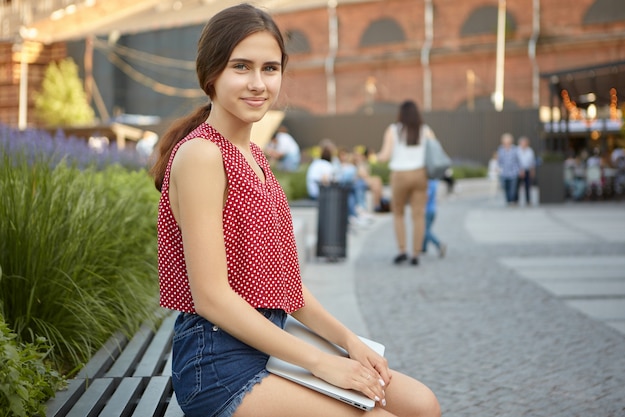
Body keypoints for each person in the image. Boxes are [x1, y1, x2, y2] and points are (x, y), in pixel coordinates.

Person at [149, 4, 440, 417]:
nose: (257, 83)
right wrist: (323, 363)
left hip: (269, 337)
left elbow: (285, 285)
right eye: (241, 67)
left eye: (270, 68)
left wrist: (349, 341)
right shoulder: (201, 154)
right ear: (211, 73)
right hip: (217, 363)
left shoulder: (254, 155)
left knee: (423, 405)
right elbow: (211, 297)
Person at [377, 100, 432, 266]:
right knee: (418, 215)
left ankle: (402, 250)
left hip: (400, 175)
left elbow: (384, 156)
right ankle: (416, 254)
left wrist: (375, 157)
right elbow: (435, 150)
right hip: (420, 174)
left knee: (398, 213)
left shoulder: (393, 130)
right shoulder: (425, 130)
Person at [422, 179, 446, 258]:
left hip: (427, 210)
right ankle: (423, 248)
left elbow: (426, 196)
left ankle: (439, 244)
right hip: (434, 209)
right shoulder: (435, 181)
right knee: (426, 229)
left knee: (425, 230)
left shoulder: (429, 182)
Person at [497, 132, 521, 206]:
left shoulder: (515, 149)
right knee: (506, 187)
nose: (506, 143)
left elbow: (518, 160)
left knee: (513, 187)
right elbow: (499, 160)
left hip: (514, 172)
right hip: (504, 172)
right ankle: (508, 200)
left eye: (508, 142)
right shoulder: (500, 149)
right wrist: (498, 167)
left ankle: (512, 200)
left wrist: (520, 169)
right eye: (505, 142)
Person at [516, 136, 536, 206]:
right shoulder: (517, 150)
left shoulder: (530, 151)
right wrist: (520, 170)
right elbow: (516, 161)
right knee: (517, 186)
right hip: (518, 171)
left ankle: (528, 200)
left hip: (527, 170)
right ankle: (516, 200)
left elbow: (532, 162)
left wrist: (532, 170)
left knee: (528, 186)